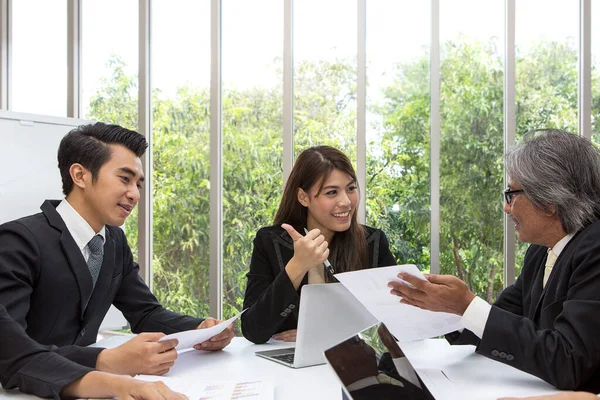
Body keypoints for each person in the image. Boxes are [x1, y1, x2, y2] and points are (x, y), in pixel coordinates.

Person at [0, 122, 234, 385]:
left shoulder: (113, 240)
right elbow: (10, 352)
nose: (134, 194)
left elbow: (145, 314)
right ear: (80, 175)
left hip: (92, 387)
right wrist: (105, 361)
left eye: (138, 184)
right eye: (124, 179)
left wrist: (201, 329)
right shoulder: (18, 241)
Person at [388, 129, 600, 392]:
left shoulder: (595, 249)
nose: (506, 207)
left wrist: (467, 305)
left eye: (512, 194)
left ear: (548, 201)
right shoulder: (540, 251)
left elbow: (569, 361)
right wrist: (444, 307)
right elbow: (499, 324)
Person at [241, 145, 397, 344]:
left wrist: (326, 333)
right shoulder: (270, 241)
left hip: (354, 360)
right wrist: (297, 266)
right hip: (283, 366)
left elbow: (397, 320)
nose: (346, 202)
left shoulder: (372, 242)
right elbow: (253, 330)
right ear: (303, 197)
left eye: (351, 188)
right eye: (332, 192)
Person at [0, 304, 186, 400]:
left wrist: (124, 385)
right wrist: (108, 362)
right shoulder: (20, 236)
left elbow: (22, 356)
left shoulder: (114, 241)